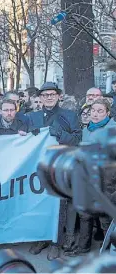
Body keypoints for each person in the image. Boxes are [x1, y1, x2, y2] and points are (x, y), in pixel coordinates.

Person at [26, 82, 82, 260]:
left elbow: (77, 139)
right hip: (38, 168)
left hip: (61, 167)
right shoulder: (31, 117)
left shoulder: (69, 116)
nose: (49, 97)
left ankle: (57, 242)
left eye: (52, 94)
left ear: (59, 96)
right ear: (40, 98)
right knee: (40, 203)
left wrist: (59, 134)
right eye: (45, 94)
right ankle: (41, 238)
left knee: (60, 204)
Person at [65, 99, 116, 257]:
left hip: (107, 180)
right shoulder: (86, 129)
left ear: (108, 113)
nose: (95, 114)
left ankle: (108, 251)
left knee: (105, 217)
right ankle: (83, 247)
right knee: (85, 213)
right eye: (93, 110)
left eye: (100, 111)